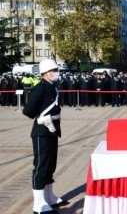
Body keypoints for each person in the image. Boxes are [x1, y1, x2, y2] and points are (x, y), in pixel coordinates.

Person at [22, 59, 68, 214]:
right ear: (46, 73)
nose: (57, 73)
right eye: (54, 70)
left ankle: (49, 197)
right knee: (41, 166)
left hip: (52, 129)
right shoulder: (40, 88)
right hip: (42, 131)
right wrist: (41, 117)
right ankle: (39, 203)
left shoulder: (52, 87)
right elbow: (28, 110)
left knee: (50, 165)